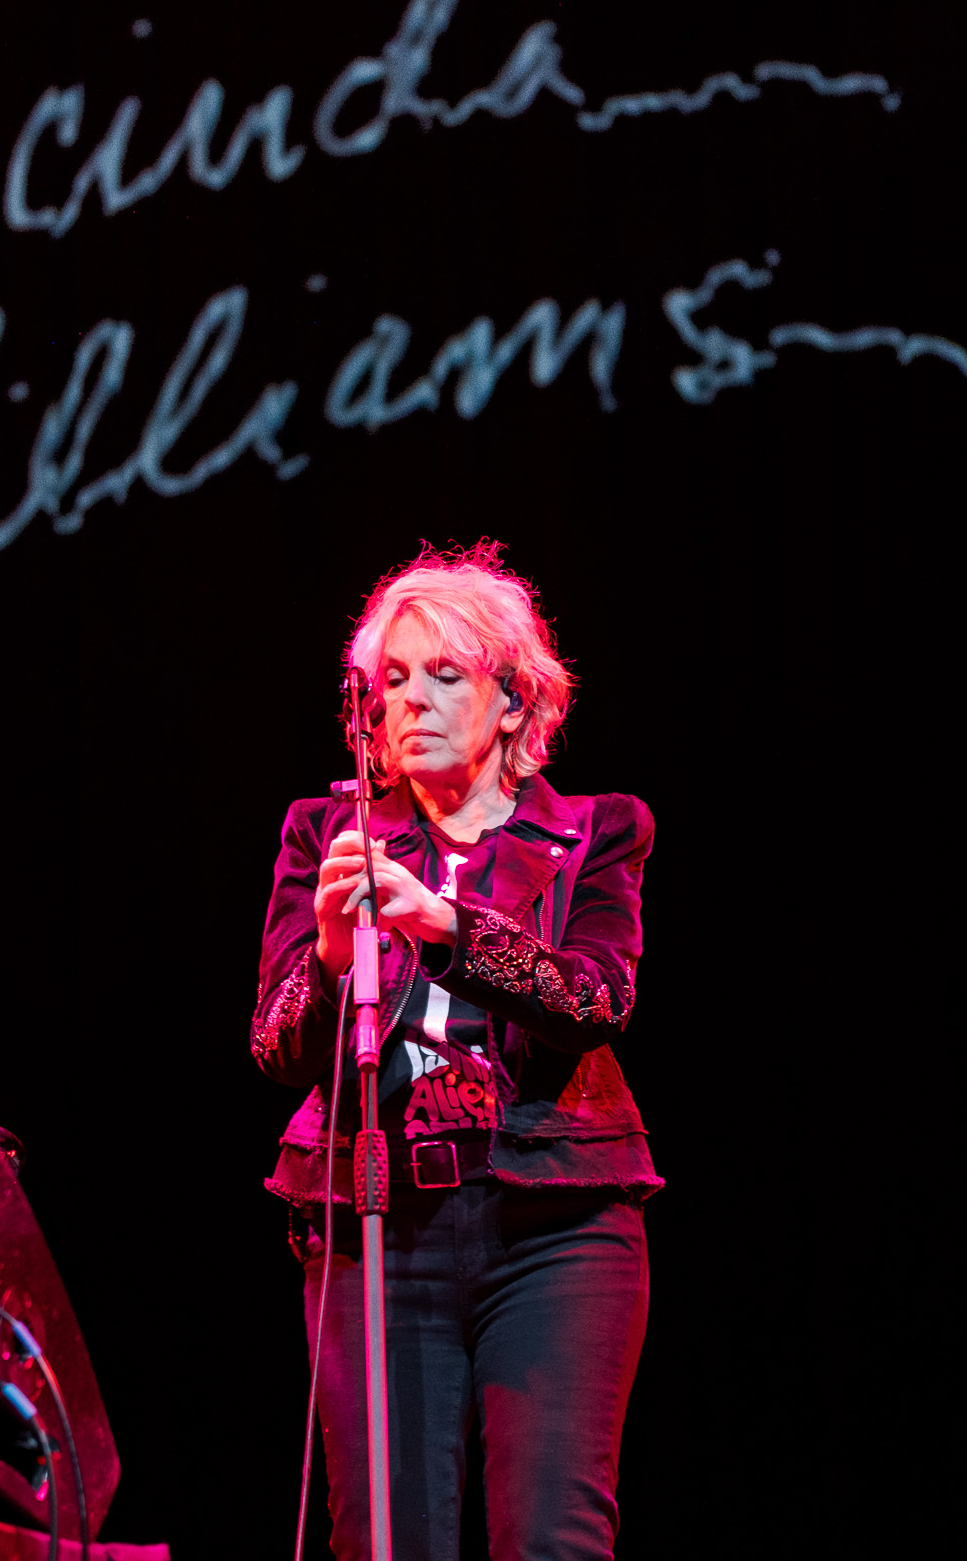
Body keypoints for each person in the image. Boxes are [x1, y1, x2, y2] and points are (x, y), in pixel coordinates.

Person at [250, 543, 656, 1561]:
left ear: (513, 701)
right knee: (385, 1539)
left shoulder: (595, 830)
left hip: (553, 1222)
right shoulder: (324, 832)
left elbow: (593, 998)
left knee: (551, 1540)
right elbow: (276, 1045)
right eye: (391, 680)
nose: (412, 702)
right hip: (377, 1231)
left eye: (445, 676)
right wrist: (336, 956)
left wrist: (445, 923)